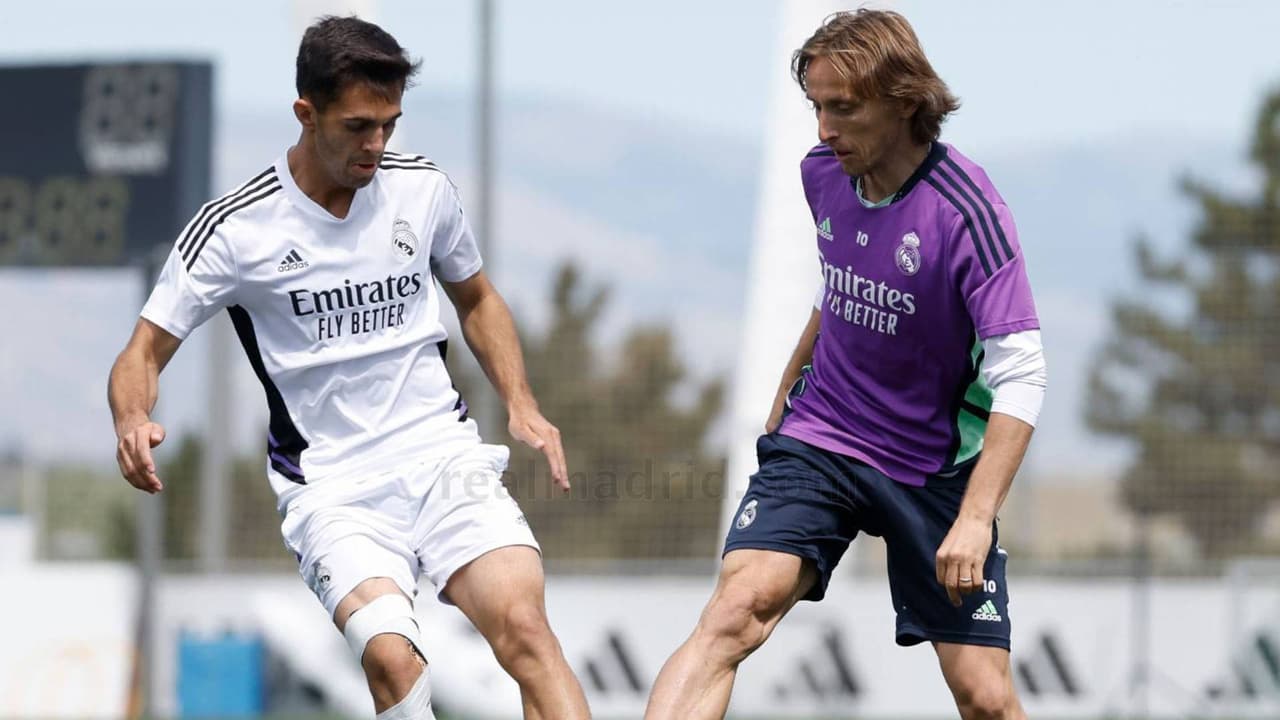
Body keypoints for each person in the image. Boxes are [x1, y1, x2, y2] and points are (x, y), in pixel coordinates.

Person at [108, 16, 591, 720]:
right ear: (306, 113)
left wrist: (520, 400)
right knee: (393, 659)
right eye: (358, 126)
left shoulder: (423, 191)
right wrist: (131, 417)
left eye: (389, 125)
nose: (376, 145)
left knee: (526, 629)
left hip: (441, 456)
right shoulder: (236, 229)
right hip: (334, 488)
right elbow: (142, 351)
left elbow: (478, 298)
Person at [645, 10, 1045, 720]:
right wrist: (786, 391)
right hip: (824, 438)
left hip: (932, 470)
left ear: (902, 99)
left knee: (985, 698)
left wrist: (977, 518)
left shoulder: (968, 213)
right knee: (735, 611)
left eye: (843, 108)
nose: (825, 129)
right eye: (816, 107)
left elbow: (1024, 372)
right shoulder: (823, 174)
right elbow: (838, 284)